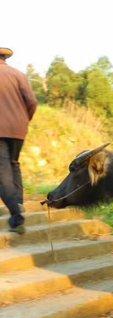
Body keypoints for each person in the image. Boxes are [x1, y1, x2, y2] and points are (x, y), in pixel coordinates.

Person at [0, 47, 37, 234]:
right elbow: (32, 102)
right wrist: (24, 119)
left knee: (2, 173)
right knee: (13, 163)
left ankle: (17, 216)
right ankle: (19, 203)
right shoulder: (18, 75)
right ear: (5, 57)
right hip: (18, 130)